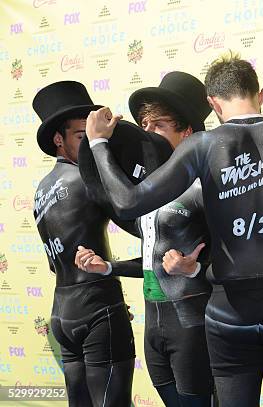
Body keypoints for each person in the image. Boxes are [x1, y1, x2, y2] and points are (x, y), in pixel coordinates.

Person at [84, 54, 263, 407]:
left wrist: (99, 144)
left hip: (229, 311)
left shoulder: (203, 146)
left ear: (213, 103)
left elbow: (128, 202)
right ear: (261, 94)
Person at [75, 72, 215, 407]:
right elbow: (155, 262)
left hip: (193, 326)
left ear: (188, 132)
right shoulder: (147, 197)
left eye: (159, 125)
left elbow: (233, 257)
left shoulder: (206, 186)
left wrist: (194, 269)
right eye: (144, 124)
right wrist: (108, 266)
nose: (147, 134)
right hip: (155, 329)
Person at [32, 81, 135, 407]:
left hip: (63, 314)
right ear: (58, 140)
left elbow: (55, 260)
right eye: (81, 137)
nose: (90, 145)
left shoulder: (40, 191)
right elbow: (145, 224)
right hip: (98, 309)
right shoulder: (87, 180)